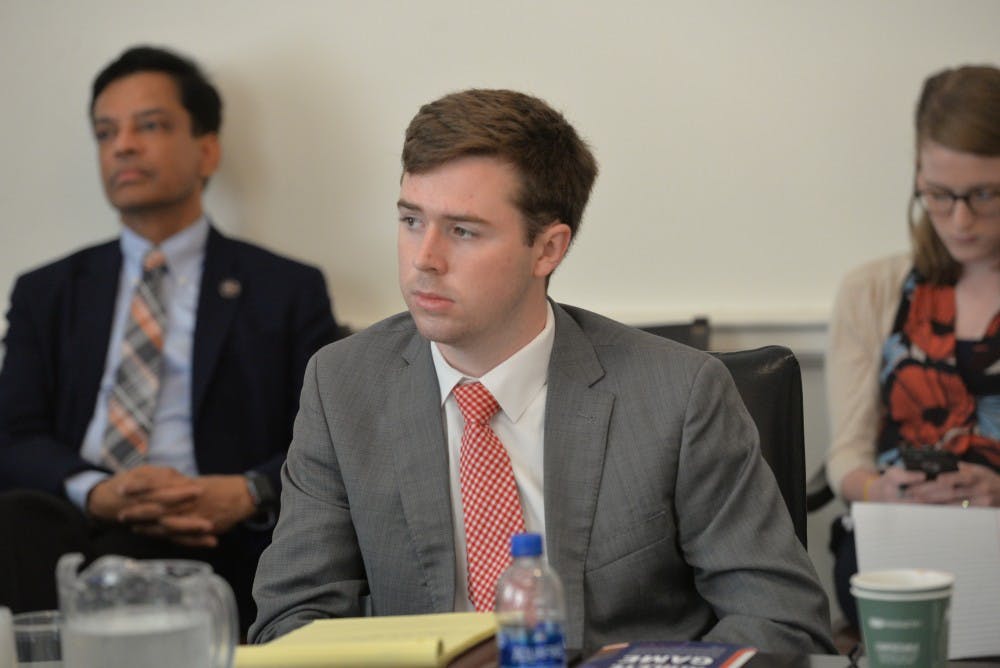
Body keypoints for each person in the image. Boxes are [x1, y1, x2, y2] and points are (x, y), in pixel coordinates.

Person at [249, 88, 834, 654]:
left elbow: (780, 621)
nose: (424, 258)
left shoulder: (678, 394)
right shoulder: (342, 384)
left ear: (548, 250)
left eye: (462, 231)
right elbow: (292, 620)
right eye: (410, 221)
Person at [0, 46, 342, 631]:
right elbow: (13, 434)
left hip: (212, 536)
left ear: (207, 149)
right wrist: (99, 491)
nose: (123, 145)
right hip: (71, 522)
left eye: (149, 125)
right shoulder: (47, 291)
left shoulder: (285, 289)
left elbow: (326, 436)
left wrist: (248, 491)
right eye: (106, 132)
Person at [826, 64, 1000, 629]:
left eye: (984, 194)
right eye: (938, 195)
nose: (960, 219)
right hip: (903, 545)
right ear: (917, 178)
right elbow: (846, 460)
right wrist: (884, 489)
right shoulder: (872, 290)